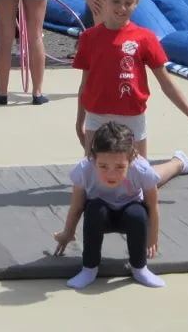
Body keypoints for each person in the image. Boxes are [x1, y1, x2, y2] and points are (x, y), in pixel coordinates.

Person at [73, 0, 188, 172]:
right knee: (94, 178)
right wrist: (80, 121)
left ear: (136, 3)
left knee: (139, 179)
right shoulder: (89, 38)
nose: (122, 8)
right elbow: (85, 84)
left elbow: (167, 83)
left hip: (132, 117)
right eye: (116, 1)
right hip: (97, 116)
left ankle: (178, 163)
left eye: (128, 2)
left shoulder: (145, 38)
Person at [53, 122, 166, 289]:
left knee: (137, 214)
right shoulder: (84, 169)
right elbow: (76, 207)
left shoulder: (141, 169)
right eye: (103, 166)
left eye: (120, 167)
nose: (111, 174)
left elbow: (152, 205)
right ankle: (89, 268)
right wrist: (67, 233)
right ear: (93, 158)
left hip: (129, 214)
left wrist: (153, 237)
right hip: (101, 215)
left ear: (131, 159)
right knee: (94, 210)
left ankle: (139, 268)